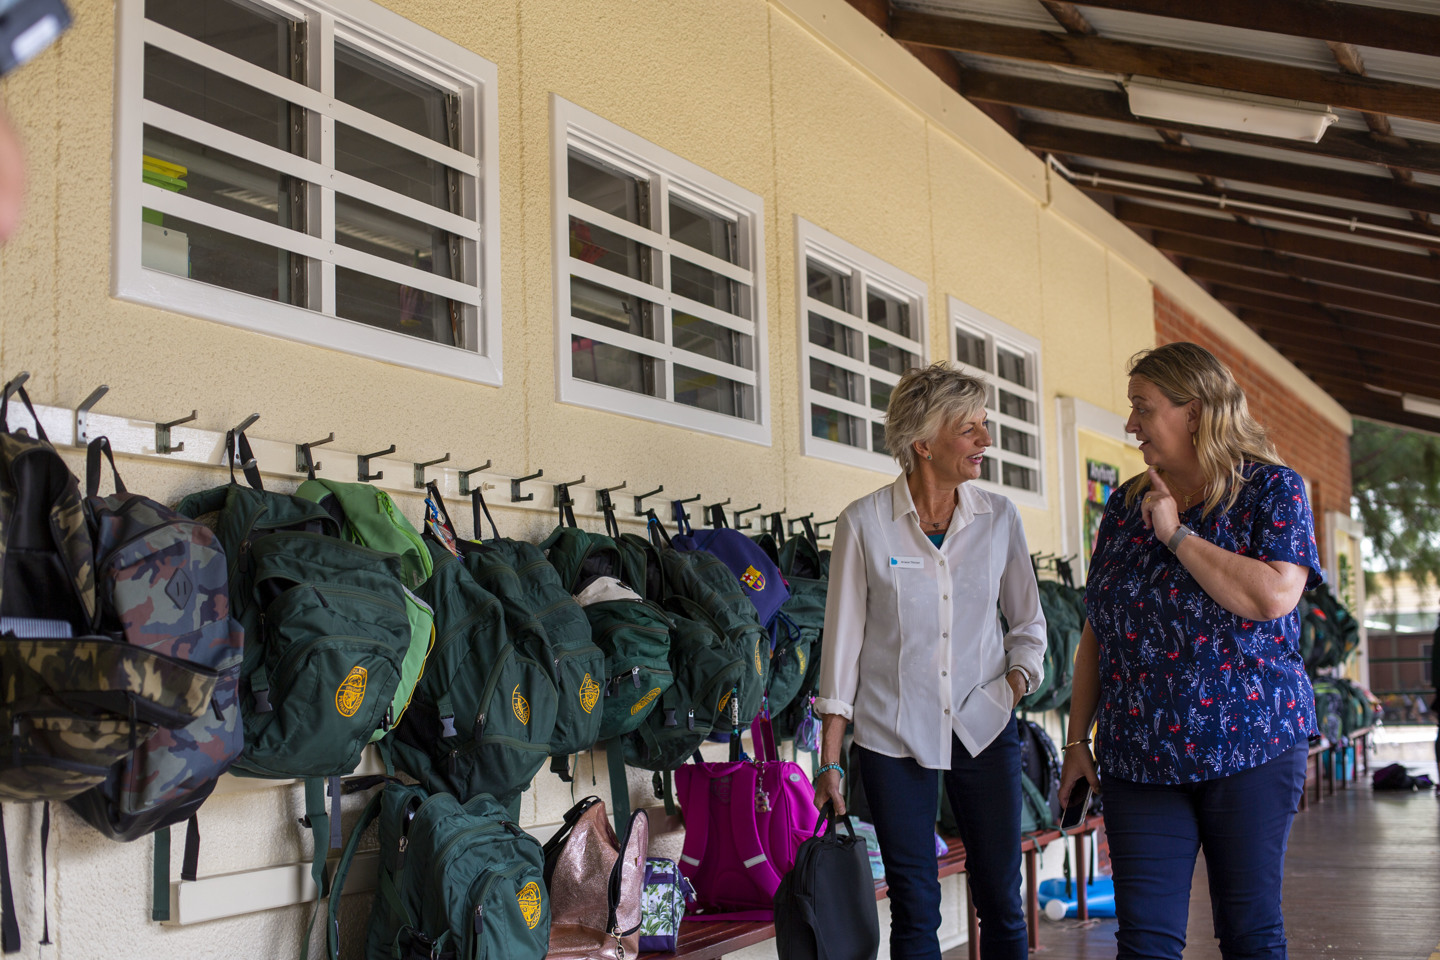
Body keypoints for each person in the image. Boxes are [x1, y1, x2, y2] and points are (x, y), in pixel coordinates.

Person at [1060, 342, 1321, 960]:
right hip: (1139, 756)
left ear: (1195, 412)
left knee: (1249, 934)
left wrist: (1177, 534)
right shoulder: (1124, 507)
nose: (1130, 425)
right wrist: (1077, 742)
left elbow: (1272, 596)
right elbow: (1098, 629)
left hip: (1249, 746)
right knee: (1144, 943)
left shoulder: (1271, 490)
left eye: (1142, 409)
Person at [812, 362, 1047, 960]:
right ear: (923, 443)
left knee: (1000, 898)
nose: (984, 442)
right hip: (894, 734)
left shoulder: (1000, 518)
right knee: (915, 905)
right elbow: (841, 650)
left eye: (984, 426)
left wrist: (1014, 685)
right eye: (969, 430)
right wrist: (831, 761)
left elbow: (1028, 625)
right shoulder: (863, 524)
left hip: (985, 724)